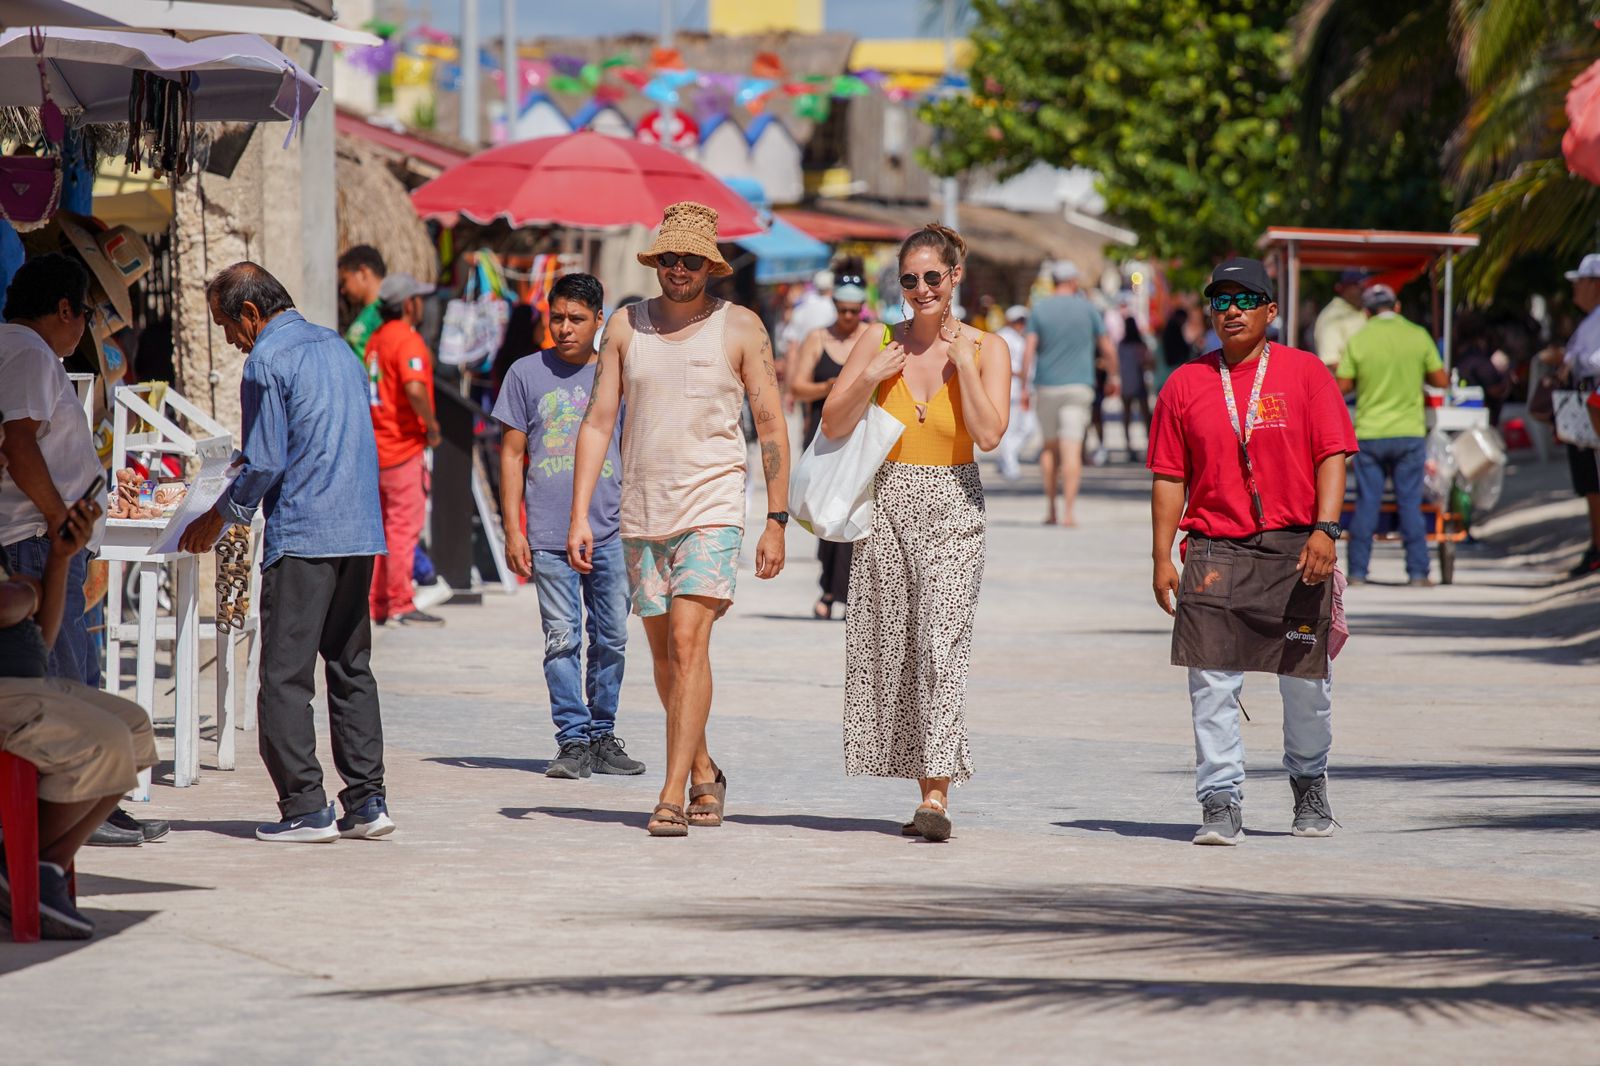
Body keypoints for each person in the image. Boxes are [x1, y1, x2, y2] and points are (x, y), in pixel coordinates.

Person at [568, 202, 789, 837]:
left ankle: (669, 793)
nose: (679, 269)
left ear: (710, 266)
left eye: (690, 260)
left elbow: (770, 426)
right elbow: (599, 421)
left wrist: (776, 518)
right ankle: (703, 770)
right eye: (669, 258)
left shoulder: (741, 327)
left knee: (692, 645)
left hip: (713, 506)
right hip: (642, 509)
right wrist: (581, 514)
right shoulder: (624, 328)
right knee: (666, 658)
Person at [1148, 257, 1357, 846]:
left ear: (1271, 309)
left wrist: (1326, 530)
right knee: (1211, 682)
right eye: (1220, 301)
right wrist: (1162, 555)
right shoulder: (1185, 383)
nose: (1232, 310)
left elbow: (1333, 454)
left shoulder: (1306, 372)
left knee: (1305, 683)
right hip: (1215, 551)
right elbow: (1168, 475)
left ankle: (1309, 782)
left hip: (1297, 551)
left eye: (1245, 299)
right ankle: (1220, 799)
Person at [179, 263, 391, 844]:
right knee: (351, 668)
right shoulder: (339, 348)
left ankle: (304, 807)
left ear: (252, 313)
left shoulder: (267, 359)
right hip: (358, 530)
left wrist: (219, 515)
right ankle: (368, 802)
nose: (229, 339)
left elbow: (266, 459)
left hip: (306, 532)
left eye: (228, 325)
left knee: (283, 677)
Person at [820, 223, 1010, 843]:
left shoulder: (987, 348)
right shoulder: (880, 340)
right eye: (910, 279)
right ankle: (918, 777)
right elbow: (833, 418)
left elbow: (989, 435)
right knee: (895, 646)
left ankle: (936, 794)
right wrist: (871, 373)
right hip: (890, 498)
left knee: (942, 645)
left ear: (955, 276)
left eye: (933, 276)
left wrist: (963, 366)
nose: (922, 288)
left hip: (955, 501)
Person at [0, 254, 164, 848]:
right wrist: (57, 523)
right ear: (64, 309)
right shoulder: (25, 350)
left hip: (48, 546)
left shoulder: (28, 353)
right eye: (85, 314)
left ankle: (68, 822)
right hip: (39, 547)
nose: (85, 328)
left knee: (75, 680)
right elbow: (18, 445)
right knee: (64, 688)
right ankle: (61, 819)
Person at [493, 273, 644, 781]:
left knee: (612, 638)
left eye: (576, 319)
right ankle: (573, 739)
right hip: (548, 535)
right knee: (561, 638)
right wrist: (512, 530)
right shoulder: (524, 374)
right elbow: (512, 455)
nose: (564, 328)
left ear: (599, 321)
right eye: (556, 317)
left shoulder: (616, 375)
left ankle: (603, 733)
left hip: (611, 531)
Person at [1, 472, 153, 939]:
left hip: (26, 681)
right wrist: (23, 595)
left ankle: (42, 863)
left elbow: (39, 644)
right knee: (104, 740)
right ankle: (22, 867)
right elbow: (9, 604)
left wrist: (59, 561)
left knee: (133, 726)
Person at [1337, 284, 1449, 586]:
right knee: (1409, 503)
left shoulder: (1359, 339)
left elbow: (1343, 385)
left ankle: (1358, 573)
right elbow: (1441, 380)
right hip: (1409, 432)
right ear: (1396, 306)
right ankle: (1417, 573)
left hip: (1370, 433)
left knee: (1367, 502)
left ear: (1367, 312)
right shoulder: (1417, 335)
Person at [364, 273, 445, 627]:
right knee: (402, 528)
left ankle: (377, 602)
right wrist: (431, 425)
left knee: (381, 529)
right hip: (403, 448)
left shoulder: (376, 340)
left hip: (376, 449)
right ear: (409, 304)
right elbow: (414, 388)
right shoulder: (407, 341)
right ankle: (399, 601)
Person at [789, 280, 872, 619]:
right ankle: (829, 586)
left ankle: (848, 592)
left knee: (855, 512)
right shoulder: (818, 339)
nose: (848, 317)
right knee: (826, 514)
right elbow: (797, 386)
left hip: (861, 437)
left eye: (854, 311)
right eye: (842, 311)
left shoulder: (872, 337)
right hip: (824, 436)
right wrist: (828, 386)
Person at [1023, 259, 1117, 526]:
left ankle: (1051, 509)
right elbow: (1108, 348)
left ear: (1053, 282)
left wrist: (1023, 388)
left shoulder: (1040, 310)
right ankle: (1069, 513)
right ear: (1074, 281)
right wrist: (1114, 376)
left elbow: (1029, 350)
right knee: (1072, 450)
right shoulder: (1089, 310)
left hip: (1047, 385)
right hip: (1079, 386)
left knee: (1049, 448)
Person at [1543, 254, 1600, 578]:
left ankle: (1597, 548)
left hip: (1593, 405)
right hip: (1586, 407)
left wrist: (1566, 360)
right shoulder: (1590, 319)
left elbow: (1592, 361)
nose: (1575, 290)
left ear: (1594, 284)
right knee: (1590, 482)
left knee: (1594, 480)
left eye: (1579, 282)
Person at [993, 304, 1034, 481]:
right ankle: (1010, 464)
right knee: (1010, 429)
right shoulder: (1003, 337)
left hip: (1024, 388)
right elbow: (996, 364)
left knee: (1028, 428)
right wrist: (1018, 373)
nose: (1021, 324)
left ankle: (1006, 458)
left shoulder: (1023, 338)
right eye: (1018, 320)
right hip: (1010, 388)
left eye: (1024, 320)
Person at [336, 245, 387, 360]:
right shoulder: (368, 311)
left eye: (345, 281)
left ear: (363, 273)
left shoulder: (386, 312)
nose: (343, 290)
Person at [1117, 307, 1154, 462]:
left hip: (1126, 383)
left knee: (1127, 415)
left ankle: (1128, 445)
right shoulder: (1140, 345)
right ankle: (1150, 444)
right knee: (1146, 416)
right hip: (1139, 383)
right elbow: (1149, 363)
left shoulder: (1121, 345)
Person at [1312, 269, 1367, 372]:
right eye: (1357, 285)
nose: (1363, 289)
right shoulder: (1331, 315)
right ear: (1342, 288)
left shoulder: (1364, 311)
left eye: (1365, 285)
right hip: (1344, 386)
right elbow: (1331, 361)